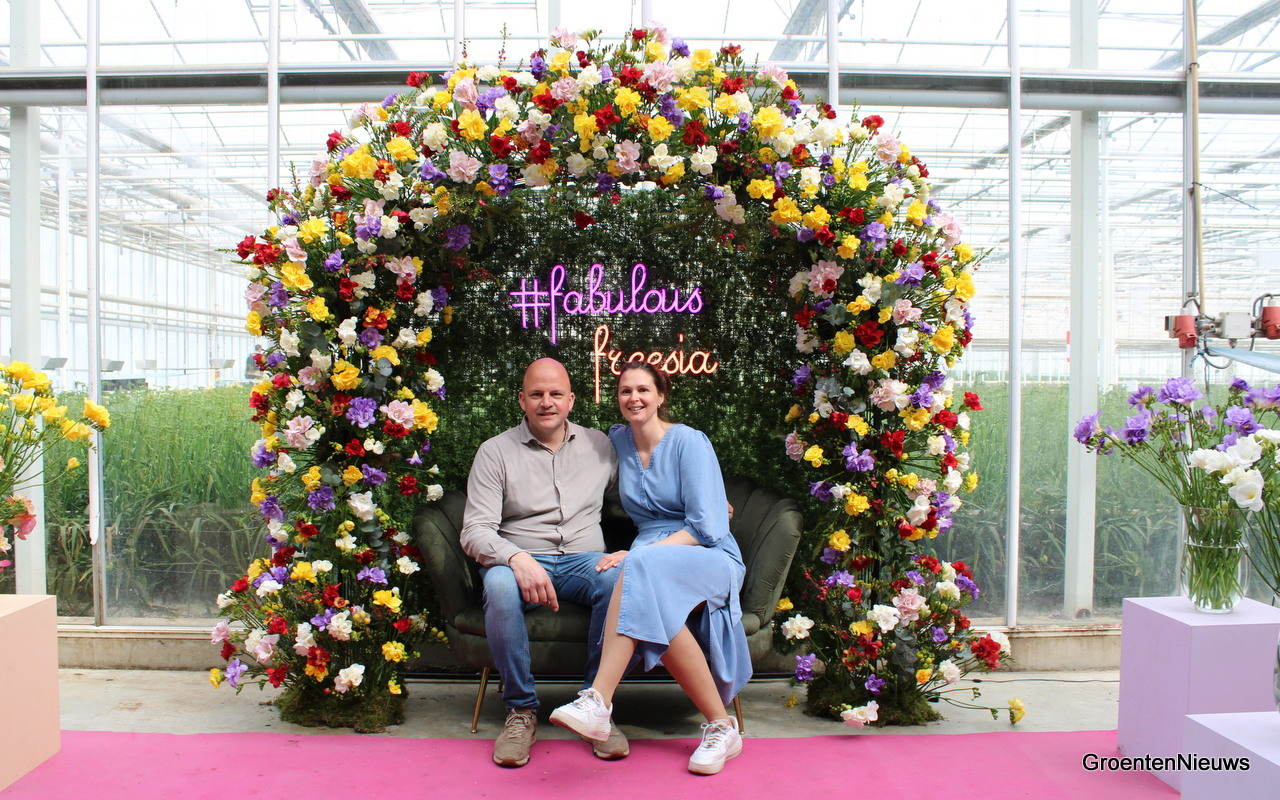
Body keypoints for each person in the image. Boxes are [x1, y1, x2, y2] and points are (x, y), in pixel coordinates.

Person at [549, 361, 752, 776]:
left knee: (639, 569)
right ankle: (721, 727)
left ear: (661, 395)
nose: (634, 398)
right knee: (653, 601)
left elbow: (707, 526)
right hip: (651, 559)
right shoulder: (618, 441)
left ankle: (598, 700)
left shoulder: (689, 441)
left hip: (707, 554)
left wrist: (640, 554)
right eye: (625, 391)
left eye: (643, 389)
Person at [459, 357, 630, 768]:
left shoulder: (600, 446)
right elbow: (475, 530)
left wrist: (698, 506)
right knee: (498, 585)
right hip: (521, 559)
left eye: (556, 394)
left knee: (621, 579)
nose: (546, 402)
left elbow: (639, 499)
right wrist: (516, 557)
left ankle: (597, 705)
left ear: (571, 400)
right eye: (536, 394)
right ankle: (520, 711)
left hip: (584, 560)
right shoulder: (495, 452)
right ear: (522, 400)